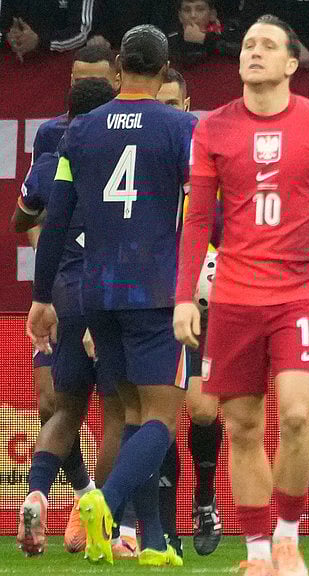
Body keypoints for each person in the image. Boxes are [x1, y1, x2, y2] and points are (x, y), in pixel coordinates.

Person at [173, 15, 309, 576]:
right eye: (247, 46)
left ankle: (288, 538)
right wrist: (185, 294)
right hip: (234, 295)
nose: (254, 53)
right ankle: (257, 553)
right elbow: (195, 223)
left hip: (301, 292)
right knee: (243, 427)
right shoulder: (211, 128)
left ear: (290, 63)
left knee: (295, 417)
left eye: (267, 46)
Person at [27, 25, 196, 567]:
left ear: (119, 64)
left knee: (126, 413)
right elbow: (206, 211)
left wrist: (40, 294)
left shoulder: (80, 131)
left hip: (96, 290)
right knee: (160, 419)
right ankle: (107, 503)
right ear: (165, 69)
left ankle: (150, 543)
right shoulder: (184, 127)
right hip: (155, 289)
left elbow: (54, 219)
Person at [11, 42, 118, 556]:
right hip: (109, 289)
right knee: (114, 410)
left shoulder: (66, 146)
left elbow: (29, 217)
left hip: (65, 287)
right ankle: (98, 514)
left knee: (64, 406)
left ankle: (47, 494)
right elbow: (31, 222)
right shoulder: (56, 137)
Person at [154, 67, 225, 558]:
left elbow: (228, 222)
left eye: (174, 103)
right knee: (158, 411)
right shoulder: (137, 158)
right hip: (150, 294)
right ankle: (162, 521)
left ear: (187, 105)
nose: (167, 112)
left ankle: (203, 496)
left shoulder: (207, 156)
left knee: (201, 409)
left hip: (205, 296)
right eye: (159, 103)